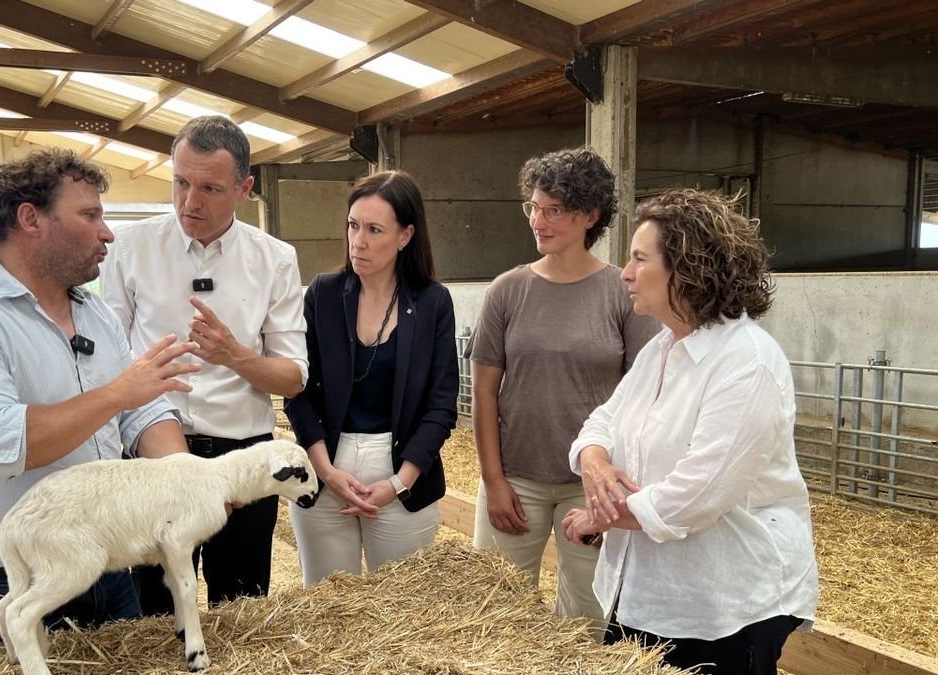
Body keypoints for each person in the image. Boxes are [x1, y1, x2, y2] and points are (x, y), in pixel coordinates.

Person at [0, 148, 198, 652]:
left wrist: (187, 479)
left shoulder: (96, 314)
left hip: (108, 566)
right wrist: (116, 393)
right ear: (30, 219)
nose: (107, 234)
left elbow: (140, 410)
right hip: (12, 578)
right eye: (89, 215)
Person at [562, 189, 819, 674]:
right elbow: (603, 421)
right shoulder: (662, 348)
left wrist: (602, 517)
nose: (625, 273)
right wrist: (595, 464)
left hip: (722, 610)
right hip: (644, 597)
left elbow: (698, 494)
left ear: (688, 268)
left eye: (640, 259)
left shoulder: (747, 361)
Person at [100, 116, 307, 611]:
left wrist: (233, 355)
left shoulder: (275, 259)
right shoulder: (129, 248)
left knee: (241, 613)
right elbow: (107, 360)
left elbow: (293, 378)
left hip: (243, 461)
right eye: (180, 182)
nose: (190, 201)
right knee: (155, 614)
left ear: (244, 189)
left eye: (210, 188)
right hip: (155, 460)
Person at [467, 147, 659, 633]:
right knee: (493, 618)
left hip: (592, 485)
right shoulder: (507, 291)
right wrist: (493, 482)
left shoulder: (622, 293)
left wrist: (615, 490)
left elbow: (642, 397)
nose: (538, 221)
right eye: (534, 207)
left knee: (587, 621)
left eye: (554, 210)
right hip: (516, 479)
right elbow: (484, 393)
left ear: (590, 215)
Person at [283, 171, 457, 585]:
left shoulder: (432, 302)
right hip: (325, 471)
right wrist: (326, 472)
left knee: (400, 607)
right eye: (353, 225)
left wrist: (399, 483)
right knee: (328, 603)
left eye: (374, 230)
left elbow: (441, 405)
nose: (357, 241)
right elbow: (298, 391)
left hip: (402, 477)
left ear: (405, 236)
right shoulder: (323, 293)